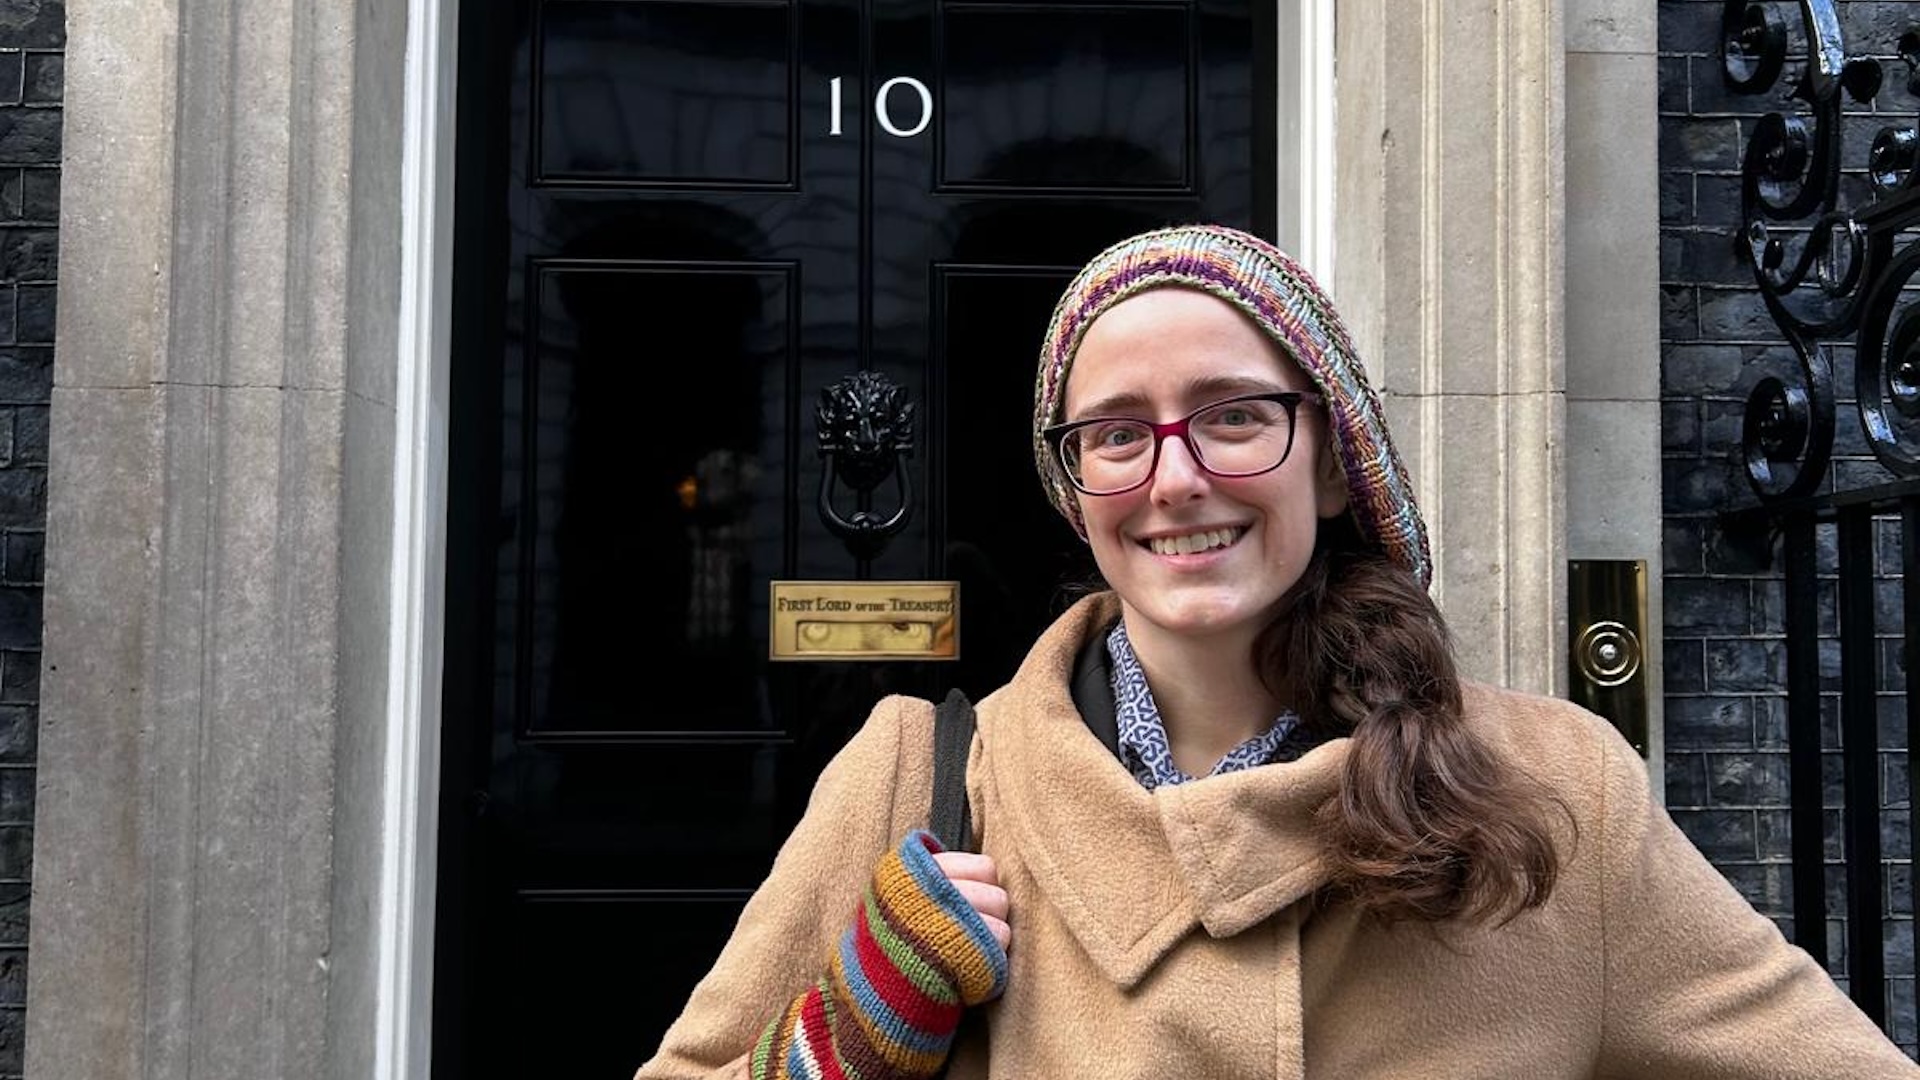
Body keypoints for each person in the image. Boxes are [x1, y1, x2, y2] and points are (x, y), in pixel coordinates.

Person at [636, 224, 1918, 1078]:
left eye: (1234, 416)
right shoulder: (918, 778)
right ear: (1077, 487)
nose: (1177, 480)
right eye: (1117, 434)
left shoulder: (1560, 795)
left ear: (1334, 459)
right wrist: (840, 1034)